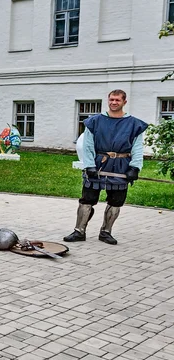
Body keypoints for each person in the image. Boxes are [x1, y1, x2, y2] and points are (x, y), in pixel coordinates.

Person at [64, 89, 148, 245]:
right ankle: (79, 231)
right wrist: (89, 165)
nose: (114, 102)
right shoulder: (94, 121)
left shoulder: (134, 124)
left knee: (116, 201)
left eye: (117, 100)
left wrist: (135, 167)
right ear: (108, 100)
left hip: (121, 166)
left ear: (124, 102)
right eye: (111, 99)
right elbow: (88, 145)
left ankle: (106, 232)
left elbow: (137, 148)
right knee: (87, 199)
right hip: (98, 163)